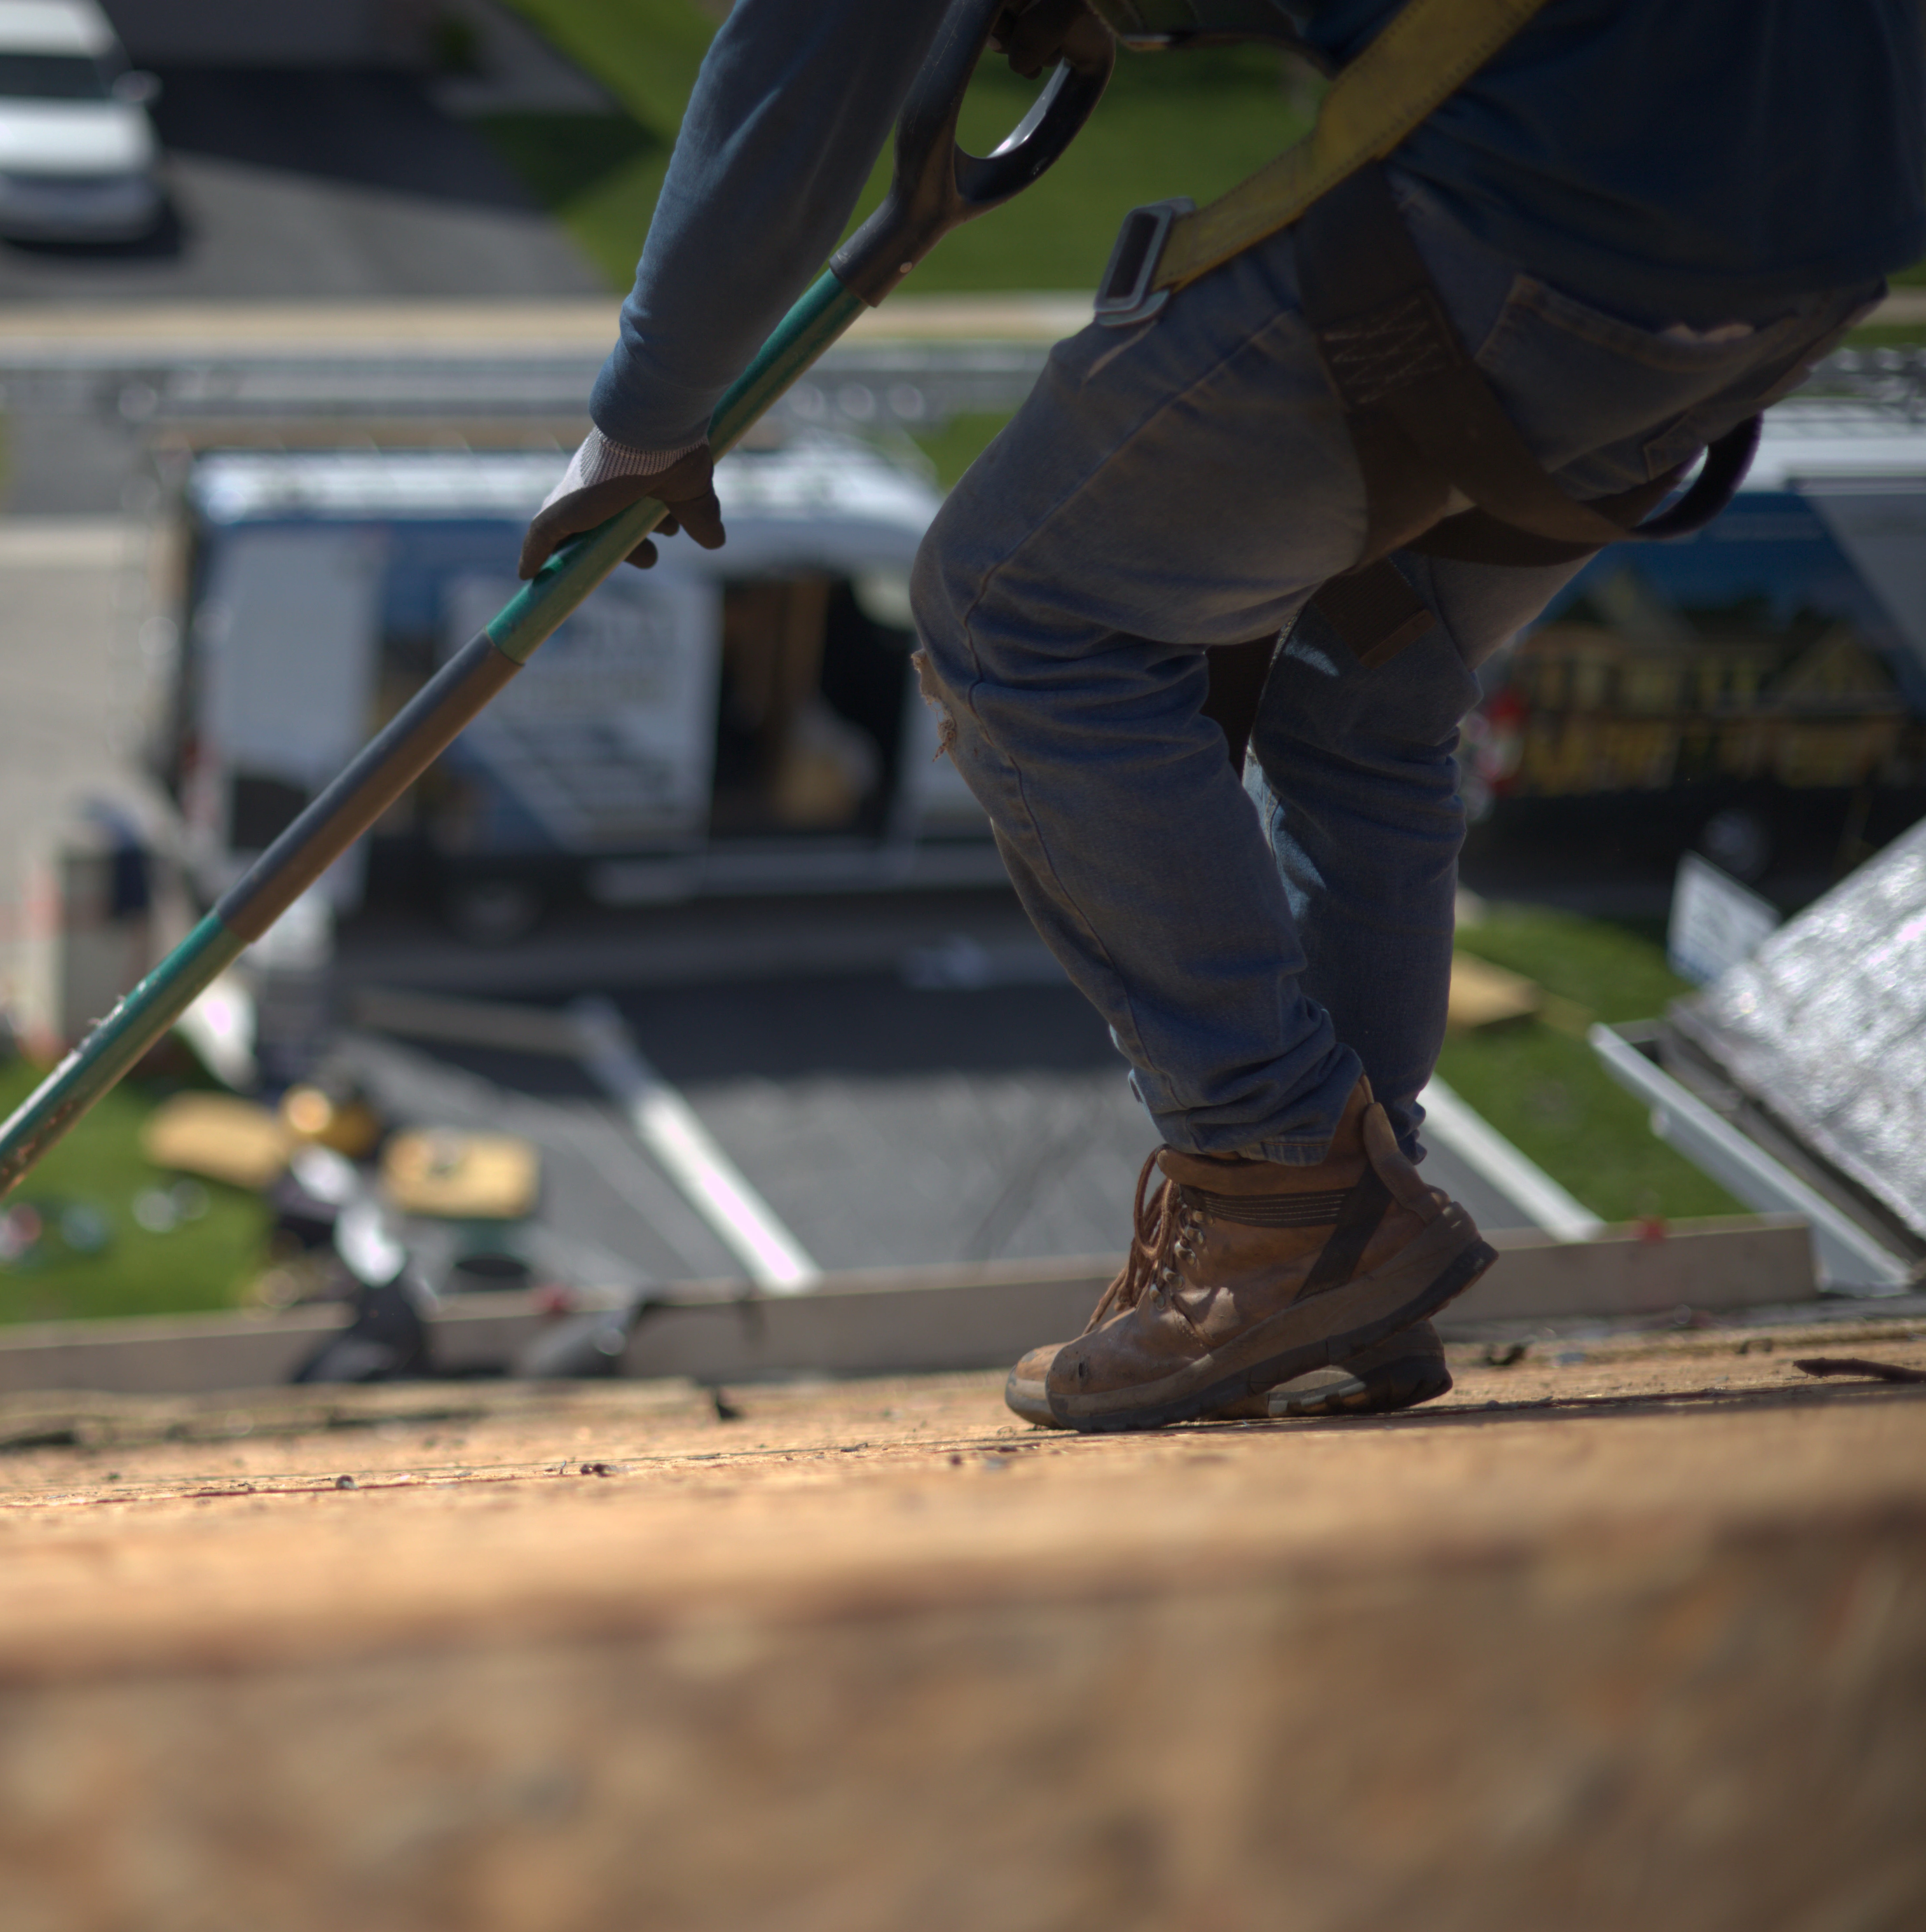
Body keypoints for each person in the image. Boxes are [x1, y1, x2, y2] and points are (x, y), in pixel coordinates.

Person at [519, 0, 1924, 1431]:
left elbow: (817, 39)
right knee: (1368, 679)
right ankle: (1351, 1242)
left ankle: (1286, 1199)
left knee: (1013, 610)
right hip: (1813, 239)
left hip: (1551, 195)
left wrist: (647, 413)